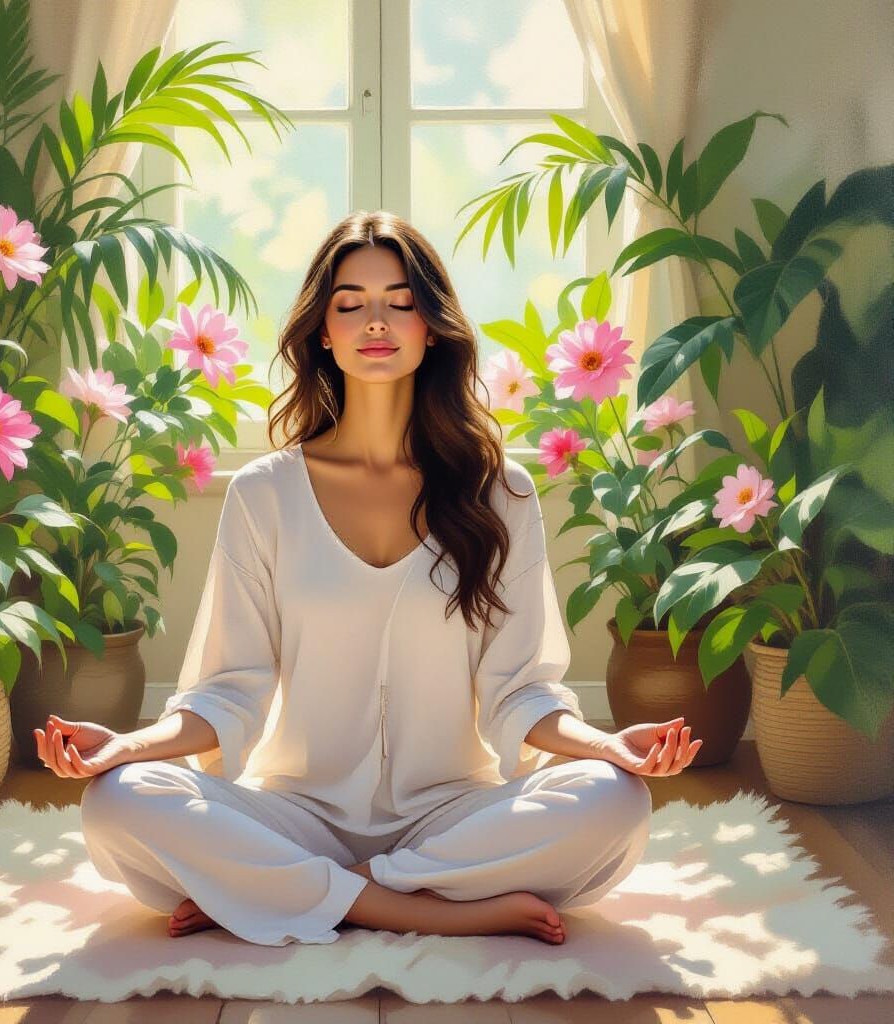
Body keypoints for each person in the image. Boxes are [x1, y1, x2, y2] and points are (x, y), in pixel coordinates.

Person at [35, 210, 703, 949]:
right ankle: (421, 906)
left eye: (402, 300)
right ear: (323, 329)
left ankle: (291, 891)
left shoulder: (500, 493)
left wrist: (608, 747)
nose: (375, 321)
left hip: (452, 815)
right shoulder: (265, 493)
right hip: (295, 813)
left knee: (615, 804)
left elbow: (523, 692)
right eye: (350, 302)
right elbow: (228, 691)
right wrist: (125, 748)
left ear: (432, 326)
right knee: (118, 802)